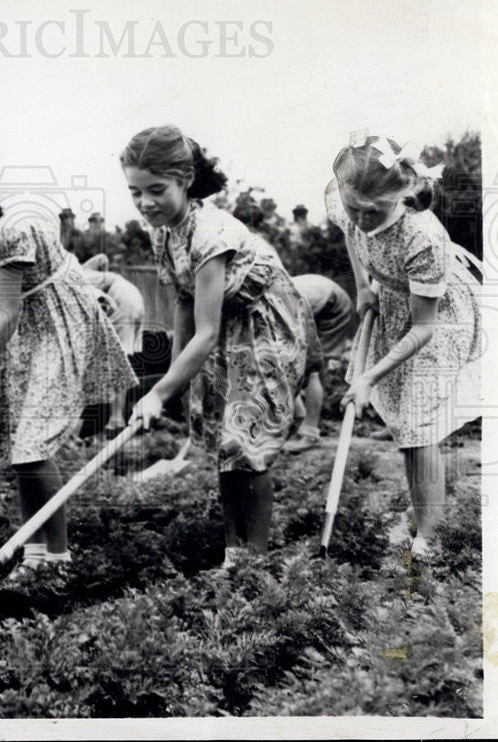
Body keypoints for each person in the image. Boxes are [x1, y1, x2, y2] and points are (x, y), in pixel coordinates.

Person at [0, 109, 136, 582]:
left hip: (55, 321)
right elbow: (1, 301)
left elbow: (10, 313)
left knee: (32, 443)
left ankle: (56, 561)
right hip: (23, 323)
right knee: (20, 444)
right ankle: (33, 552)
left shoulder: (13, 222)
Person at [122, 125, 321, 566]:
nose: (145, 202)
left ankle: (256, 562)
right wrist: (172, 384)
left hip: (262, 330)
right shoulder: (165, 231)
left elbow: (205, 330)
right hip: (225, 331)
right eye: (135, 192)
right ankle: (235, 556)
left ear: (185, 180)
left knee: (246, 444)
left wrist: (157, 392)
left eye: (156, 190)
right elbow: (182, 298)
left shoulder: (210, 234)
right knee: (223, 443)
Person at [329, 134, 482, 560]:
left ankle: (429, 538)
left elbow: (424, 328)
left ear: (399, 194)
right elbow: (348, 231)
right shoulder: (352, 205)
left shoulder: (422, 237)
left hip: (435, 320)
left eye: (370, 210)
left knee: (419, 426)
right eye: (352, 207)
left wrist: (367, 377)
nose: (359, 218)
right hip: (392, 301)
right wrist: (362, 287)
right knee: (406, 427)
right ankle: (420, 511)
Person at [284, 274, 357, 453]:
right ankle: (305, 422)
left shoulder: (271, 304)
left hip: (331, 304)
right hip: (321, 299)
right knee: (307, 366)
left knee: (312, 368)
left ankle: (309, 433)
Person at [81, 253, 147, 431]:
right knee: (123, 356)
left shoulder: (68, 279)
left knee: (118, 358)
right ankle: (118, 412)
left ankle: (116, 420)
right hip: (132, 293)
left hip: (120, 298)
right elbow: (103, 258)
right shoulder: (82, 270)